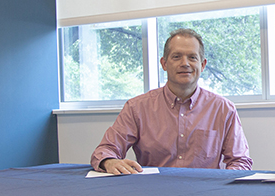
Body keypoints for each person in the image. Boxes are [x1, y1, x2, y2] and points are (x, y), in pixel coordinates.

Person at [91, 28, 252, 174]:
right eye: (176, 57)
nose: (185, 63)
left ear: (202, 65)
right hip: (153, 193)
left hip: (206, 194)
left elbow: (240, 161)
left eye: (192, 57)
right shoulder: (136, 108)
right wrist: (110, 161)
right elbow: (105, 150)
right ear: (164, 63)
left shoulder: (223, 109)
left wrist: (224, 186)